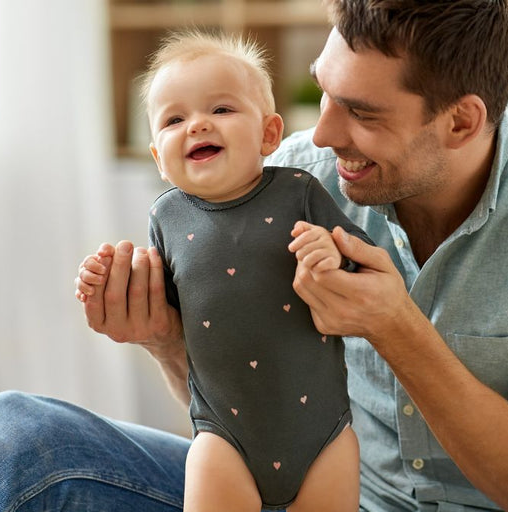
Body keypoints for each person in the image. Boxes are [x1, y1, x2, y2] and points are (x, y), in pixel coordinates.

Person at [0, 1, 508, 511]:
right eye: (323, 92)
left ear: (461, 122)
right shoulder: (299, 178)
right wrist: (166, 339)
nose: (319, 135)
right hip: (291, 495)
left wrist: (398, 328)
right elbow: (239, 400)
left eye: (361, 112)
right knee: (23, 435)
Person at [82, 30, 370, 511]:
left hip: (323, 434)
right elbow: (165, 309)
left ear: (268, 134)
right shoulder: (165, 218)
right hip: (223, 433)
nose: (197, 125)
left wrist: (332, 251)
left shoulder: (299, 191)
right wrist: (119, 286)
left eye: (220, 110)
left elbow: (364, 262)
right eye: (174, 119)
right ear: (158, 157)